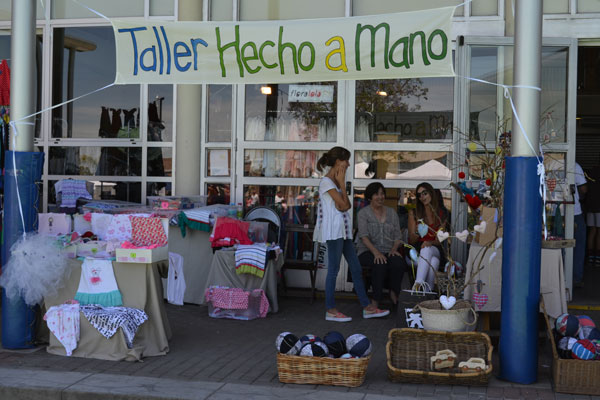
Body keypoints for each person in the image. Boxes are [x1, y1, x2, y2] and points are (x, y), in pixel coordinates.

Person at [313, 147, 390, 322]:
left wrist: (341, 183)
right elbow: (344, 206)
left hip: (344, 232)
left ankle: (367, 307)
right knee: (333, 270)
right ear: (338, 162)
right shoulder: (327, 183)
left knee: (355, 268)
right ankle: (330, 310)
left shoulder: (335, 182)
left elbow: (345, 205)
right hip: (334, 233)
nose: (348, 164)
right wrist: (341, 183)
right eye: (346, 160)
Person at [356, 182, 407, 307]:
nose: (380, 197)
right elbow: (363, 236)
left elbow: (398, 236)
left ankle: (393, 291)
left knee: (398, 263)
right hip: (367, 251)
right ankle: (375, 300)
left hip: (388, 250)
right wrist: (376, 253)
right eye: (376, 194)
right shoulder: (363, 213)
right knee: (379, 262)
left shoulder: (392, 213)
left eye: (382, 194)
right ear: (369, 197)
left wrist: (394, 249)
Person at [407, 182, 449, 292]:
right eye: (419, 195)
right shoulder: (414, 213)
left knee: (427, 248)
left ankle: (417, 285)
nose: (422, 197)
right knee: (433, 261)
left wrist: (429, 243)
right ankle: (427, 292)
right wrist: (416, 232)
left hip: (434, 248)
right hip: (416, 251)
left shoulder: (442, 213)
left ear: (431, 193)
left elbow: (439, 240)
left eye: (425, 193)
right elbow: (411, 240)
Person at [573, 162, 588, 287]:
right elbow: (583, 188)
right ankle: (576, 278)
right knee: (578, 246)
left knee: (557, 247)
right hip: (574, 212)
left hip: (552, 211)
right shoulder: (575, 166)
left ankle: (558, 277)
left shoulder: (549, 163)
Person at [585, 156, 600, 266]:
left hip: (590, 206)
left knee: (592, 231)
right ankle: (597, 257)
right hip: (599, 207)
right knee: (599, 232)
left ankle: (590, 257)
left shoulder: (590, 172)